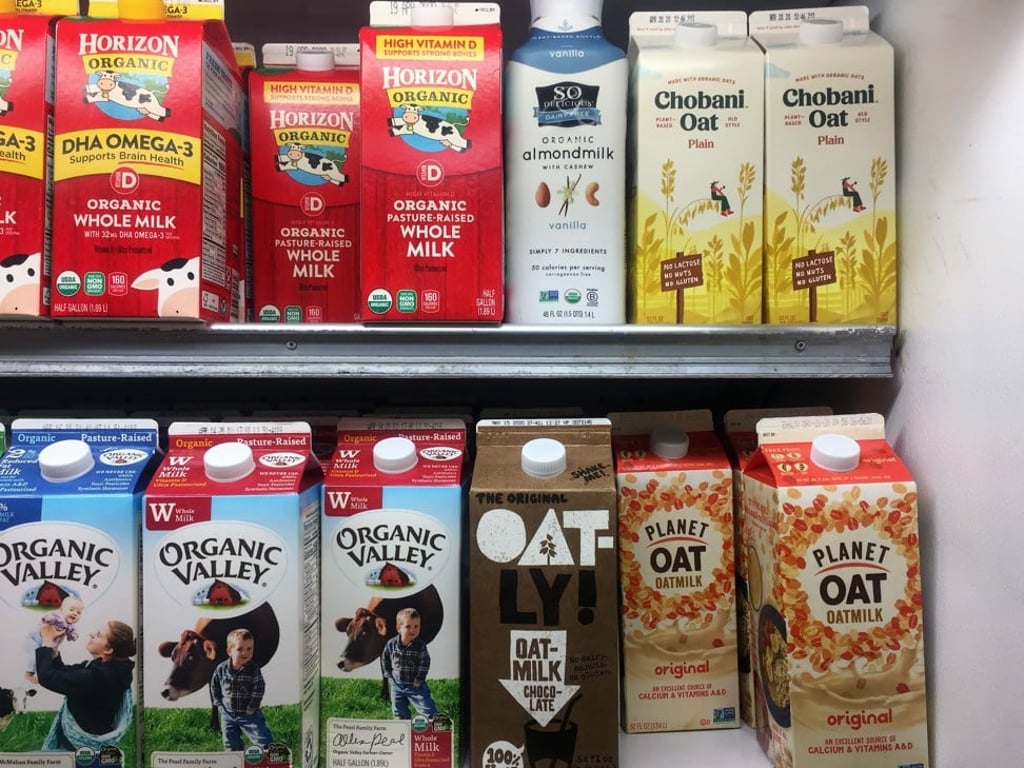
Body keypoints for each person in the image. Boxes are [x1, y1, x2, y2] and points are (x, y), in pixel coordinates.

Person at [35, 619, 136, 752]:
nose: (91, 634)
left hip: (78, 751)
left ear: (108, 649)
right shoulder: (109, 669)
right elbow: (65, 673)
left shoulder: (100, 677)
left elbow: (48, 678)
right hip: (87, 746)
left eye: (98, 635)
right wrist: (53, 649)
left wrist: (46, 641)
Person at [210, 628, 274, 751]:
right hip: (228, 713)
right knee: (230, 741)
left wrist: (252, 706)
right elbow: (215, 685)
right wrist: (218, 703)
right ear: (229, 651)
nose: (245, 653)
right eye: (240, 649)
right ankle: (235, 757)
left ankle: (268, 755)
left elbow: (259, 688)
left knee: (263, 739)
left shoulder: (253, 670)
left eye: (249, 649)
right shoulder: (221, 669)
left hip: (248, 713)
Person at [381, 607, 437, 720]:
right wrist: (388, 674)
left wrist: (419, 679)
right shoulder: (391, 644)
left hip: (415, 685)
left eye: (416, 626)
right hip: (397, 685)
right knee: (398, 710)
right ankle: (402, 727)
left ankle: (432, 725)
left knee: (427, 709)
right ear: (399, 628)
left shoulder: (420, 645)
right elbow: (385, 658)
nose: (413, 630)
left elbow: (425, 663)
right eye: (408, 626)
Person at [25, 595, 85, 685]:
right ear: (62, 609)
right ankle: (28, 674)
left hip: (49, 645)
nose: (75, 613)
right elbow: (51, 617)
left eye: (78, 612)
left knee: (48, 660)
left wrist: (73, 636)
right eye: (71, 610)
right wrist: (49, 619)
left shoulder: (71, 626)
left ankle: (41, 674)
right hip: (36, 639)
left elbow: (72, 633)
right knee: (35, 656)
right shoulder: (59, 616)